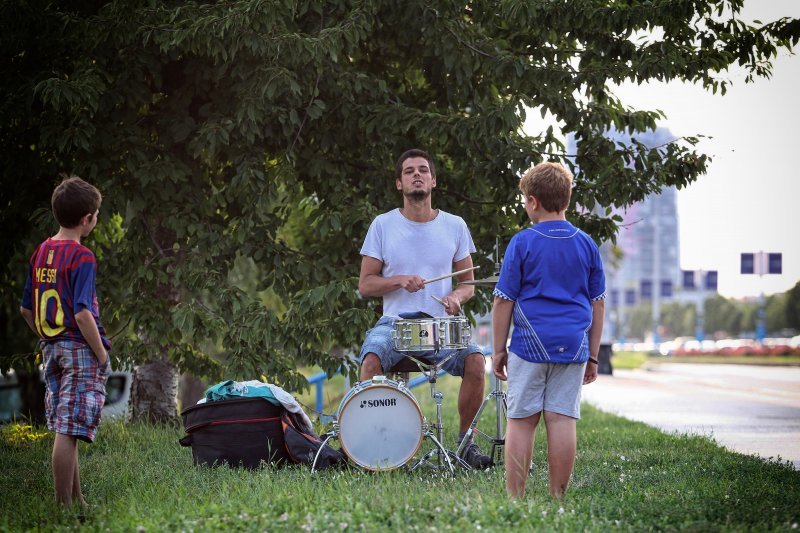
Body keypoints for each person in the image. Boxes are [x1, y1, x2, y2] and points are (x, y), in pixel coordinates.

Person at [358, 148, 491, 469]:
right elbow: (366, 285)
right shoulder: (382, 225)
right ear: (399, 184)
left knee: (475, 361)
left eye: (422, 170)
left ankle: (465, 445)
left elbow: (467, 283)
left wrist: (457, 298)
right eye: (408, 171)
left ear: (433, 180)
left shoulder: (455, 225)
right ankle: (376, 446)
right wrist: (399, 280)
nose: (416, 174)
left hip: (440, 325)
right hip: (394, 323)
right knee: (371, 361)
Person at [491, 162, 605, 498]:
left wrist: (499, 350)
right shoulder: (587, 244)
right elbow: (598, 304)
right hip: (573, 345)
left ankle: (516, 497)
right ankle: (558, 497)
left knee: (522, 420)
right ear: (567, 200)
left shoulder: (523, 242)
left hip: (529, 345)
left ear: (533, 201)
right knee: (562, 420)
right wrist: (593, 355)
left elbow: (502, 301)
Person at [19, 176, 111, 508]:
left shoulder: (42, 251)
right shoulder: (81, 256)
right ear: (87, 219)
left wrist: (46, 336)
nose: (96, 219)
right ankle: (63, 506)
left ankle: (78, 500)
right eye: (97, 214)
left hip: (51, 347)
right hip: (79, 348)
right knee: (67, 428)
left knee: (64, 423)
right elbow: (84, 314)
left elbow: (26, 308)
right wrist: (100, 355)